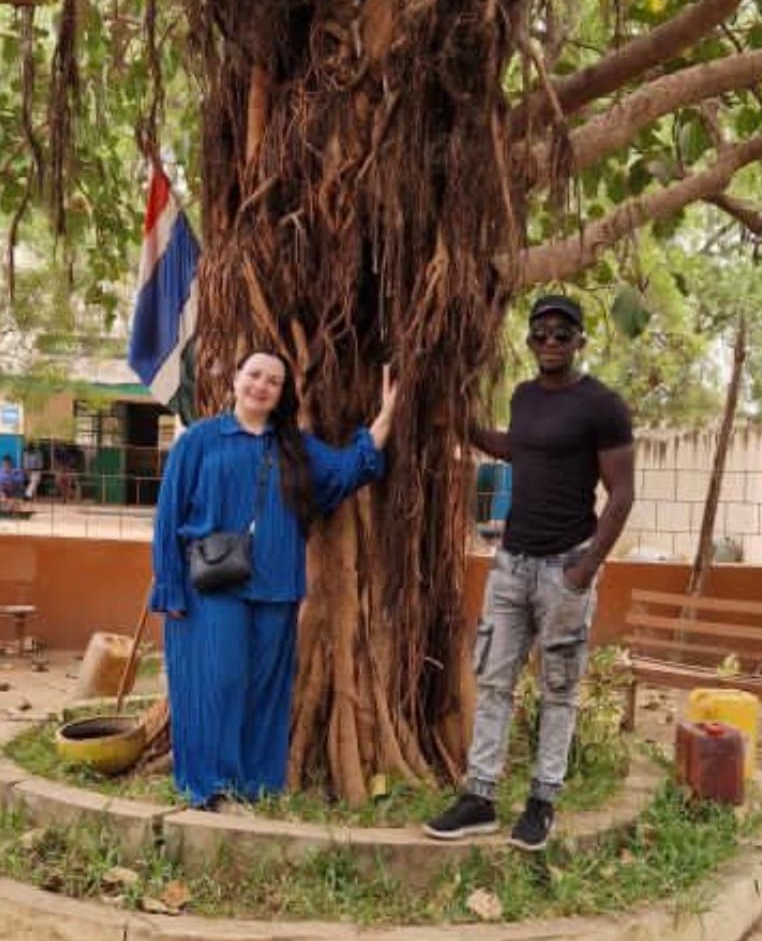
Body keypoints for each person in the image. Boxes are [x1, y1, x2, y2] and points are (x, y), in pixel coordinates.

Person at [426, 293, 635, 852]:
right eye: (540, 333)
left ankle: (542, 801)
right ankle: (480, 797)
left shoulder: (603, 405)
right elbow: (515, 448)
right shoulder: (522, 398)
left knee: (558, 688)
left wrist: (585, 571)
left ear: (580, 342)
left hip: (566, 566)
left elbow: (622, 494)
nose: (549, 342)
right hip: (511, 566)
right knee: (494, 679)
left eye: (561, 334)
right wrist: (462, 425)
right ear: (530, 341)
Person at [151, 352, 398, 810]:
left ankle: (257, 784)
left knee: (266, 689)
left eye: (274, 381)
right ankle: (211, 786)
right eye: (254, 375)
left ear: (283, 394)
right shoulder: (201, 439)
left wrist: (387, 414)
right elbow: (168, 514)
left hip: (277, 587)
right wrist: (167, 585)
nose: (262, 386)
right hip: (210, 587)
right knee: (217, 683)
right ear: (236, 378)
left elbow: (350, 469)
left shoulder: (293, 447)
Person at [0, 453, 25, 519]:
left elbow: (20, 482)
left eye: (8, 464)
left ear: (10, 464)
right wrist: (1, 493)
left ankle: (13, 513)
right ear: (2, 463)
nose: (6, 465)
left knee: (16, 488)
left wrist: (11, 475)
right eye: (5, 464)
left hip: (11, 490)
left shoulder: (16, 471)